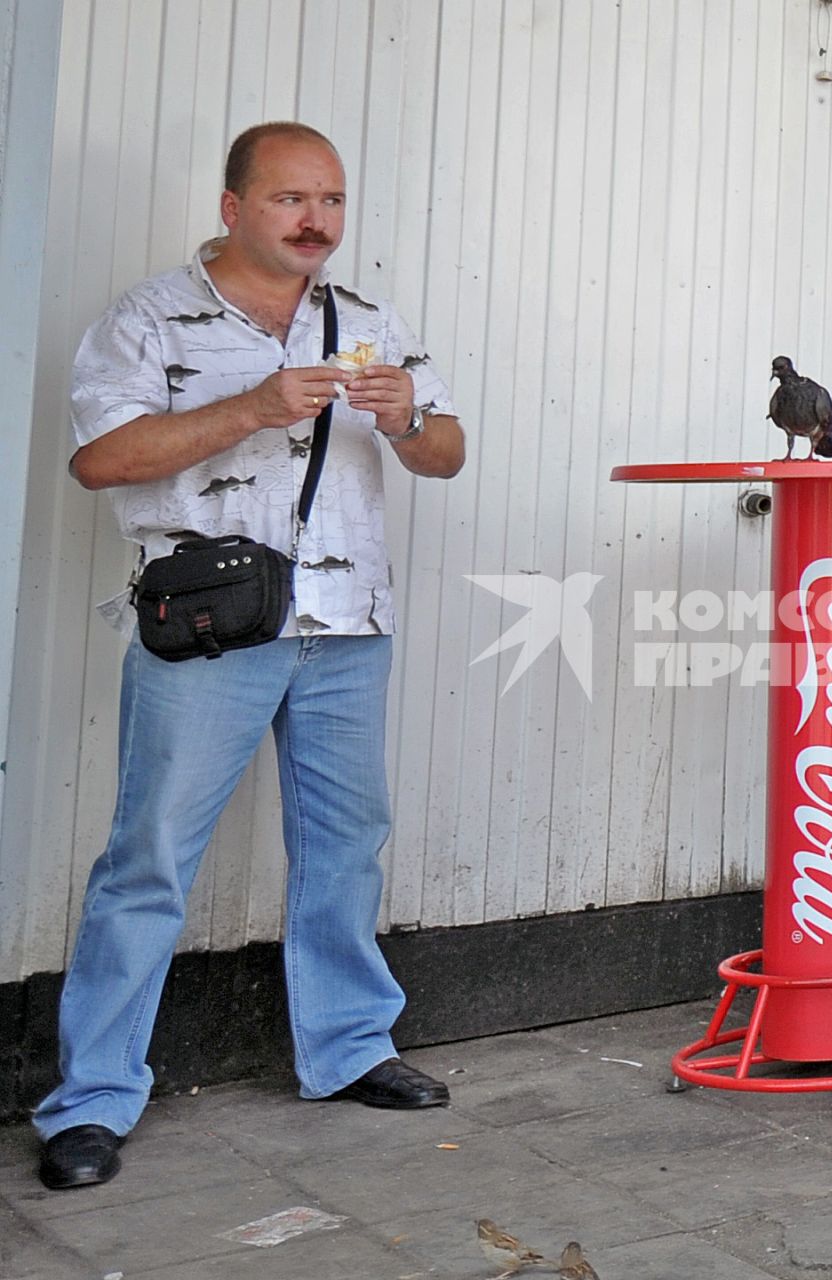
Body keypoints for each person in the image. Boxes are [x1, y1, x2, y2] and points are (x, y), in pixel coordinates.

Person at [34, 122, 467, 1191]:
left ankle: (352, 1046)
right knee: (149, 859)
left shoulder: (367, 320)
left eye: (330, 199)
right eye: (289, 199)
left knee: (346, 842)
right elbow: (101, 459)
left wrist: (411, 418)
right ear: (233, 207)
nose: (315, 219)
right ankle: (90, 1099)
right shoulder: (149, 318)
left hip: (346, 620)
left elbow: (449, 454)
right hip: (211, 624)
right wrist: (251, 408)